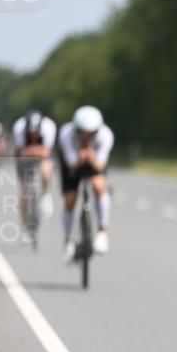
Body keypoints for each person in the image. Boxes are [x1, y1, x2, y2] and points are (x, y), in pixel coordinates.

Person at [58, 106, 114, 262]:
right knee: (70, 198)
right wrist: (80, 160)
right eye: (82, 133)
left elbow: (100, 165)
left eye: (92, 134)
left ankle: (102, 231)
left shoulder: (106, 135)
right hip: (73, 164)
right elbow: (70, 164)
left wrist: (90, 158)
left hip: (94, 162)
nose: (87, 137)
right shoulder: (66, 135)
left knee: (99, 185)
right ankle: (68, 240)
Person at [12, 109, 57, 221]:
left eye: (35, 133)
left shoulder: (49, 127)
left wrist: (34, 151)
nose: (33, 136)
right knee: (24, 189)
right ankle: (24, 223)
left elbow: (47, 152)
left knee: (46, 169)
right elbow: (20, 153)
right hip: (24, 158)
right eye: (30, 133)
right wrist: (32, 152)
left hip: (41, 156)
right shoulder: (19, 127)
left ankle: (46, 195)